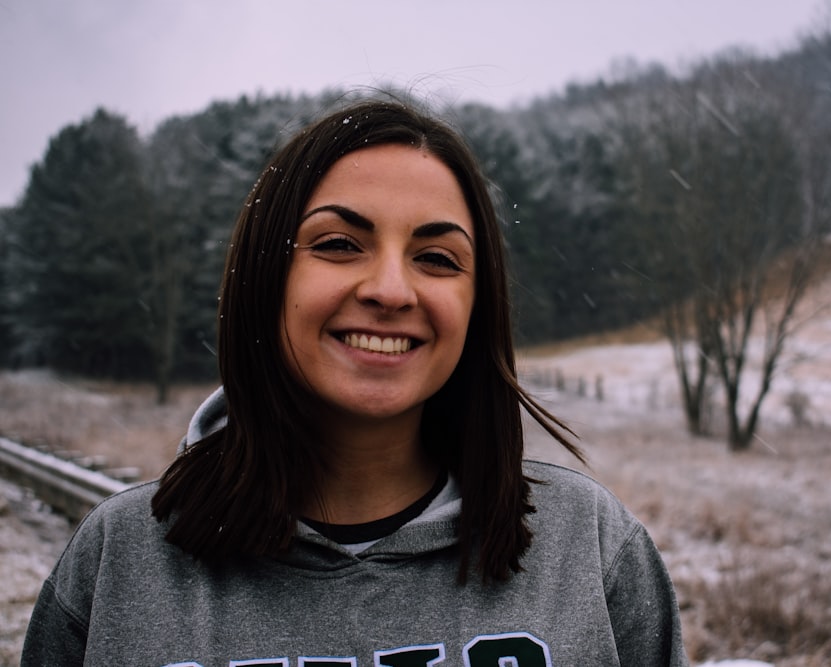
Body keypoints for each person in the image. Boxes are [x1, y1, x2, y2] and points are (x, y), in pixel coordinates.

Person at [21, 97, 688, 666]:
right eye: (339, 244)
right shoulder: (121, 560)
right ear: (265, 278)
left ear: (477, 305)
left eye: (436, 257)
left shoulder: (589, 548)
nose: (392, 290)